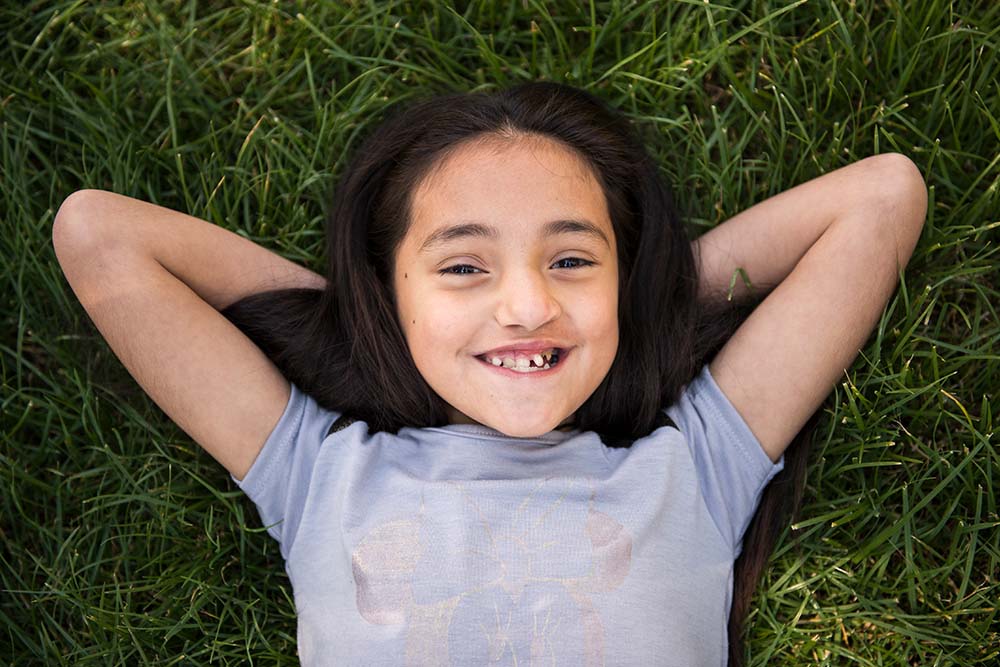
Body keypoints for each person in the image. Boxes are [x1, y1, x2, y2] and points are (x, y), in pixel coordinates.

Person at [51, 82, 927, 666]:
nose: (525, 305)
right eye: (464, 267)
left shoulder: (695, 467)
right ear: (390, 295)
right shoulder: (320, 473)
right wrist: (365, 317)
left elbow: (883, 197)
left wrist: (646, 297)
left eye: (573, 260)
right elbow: (98, 234)